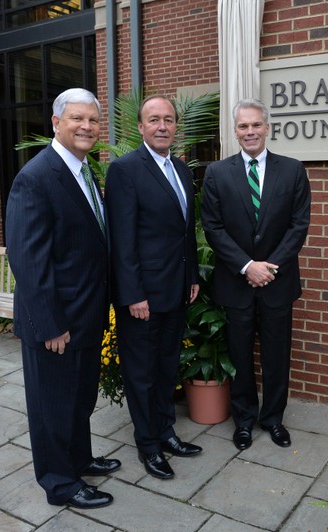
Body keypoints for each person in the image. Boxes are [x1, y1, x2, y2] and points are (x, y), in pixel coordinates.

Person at [5, 88, 120, 509]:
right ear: (56, 122)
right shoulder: (36, 177)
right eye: (77, 118)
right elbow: (28, 259)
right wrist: (51, 323)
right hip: (56, 324)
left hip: (87, 316)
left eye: (92, 119)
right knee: (53, 407)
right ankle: (60, 483)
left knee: (80, 399)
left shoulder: (87, 171)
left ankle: (80, 459)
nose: (86, 126)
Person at [201, 98, 311, 451]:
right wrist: (248, 266)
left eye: (256, 125)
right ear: (235, 131)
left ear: (267, 127)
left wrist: (268, 268)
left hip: (278, 284)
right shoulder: (217, 173)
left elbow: (298, 226)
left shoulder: (293, 170)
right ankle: (244, 421)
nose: (250, 131)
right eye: (243, 126)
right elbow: (213, 227)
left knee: (278, 356)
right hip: (236, 283)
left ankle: (274, 420)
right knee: (240, 356)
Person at [104, 95, 201, 480]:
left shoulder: (180, 168)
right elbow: (122, 241)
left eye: (169, 119)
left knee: (165, 367)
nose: (163, 126)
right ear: (140, 127)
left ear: (176, 126)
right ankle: (147, 445)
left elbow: (185, 232)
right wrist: (132, 294)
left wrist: (192, 275)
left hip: (176, 290)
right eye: (154, 120)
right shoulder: (125, 170)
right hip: (143, 296)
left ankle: (166, 432)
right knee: (141, 373)